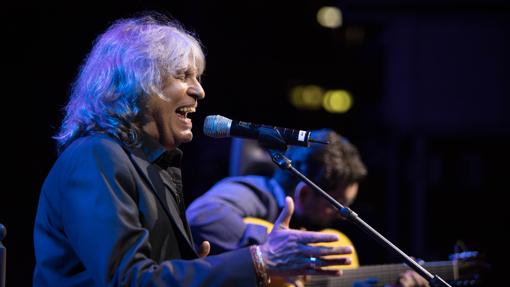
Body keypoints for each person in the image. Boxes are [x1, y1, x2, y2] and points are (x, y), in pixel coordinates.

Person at [32, 13, 355, 287]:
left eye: (197, 77)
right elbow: (128, 279)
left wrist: (198, 268)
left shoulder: (149, 164)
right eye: (183, 76)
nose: (199, 90)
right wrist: (260, 259)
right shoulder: (96, 157)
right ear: (136, 85)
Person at [187, 130, 430, 287]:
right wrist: (277, 250)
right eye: (339, 206)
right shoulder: (259, 192)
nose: (342, 215)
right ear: (304, 194)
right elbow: (200, 216)